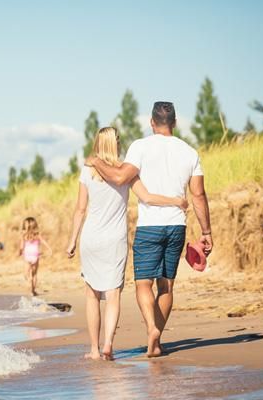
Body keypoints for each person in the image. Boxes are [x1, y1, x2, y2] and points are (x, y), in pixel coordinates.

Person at [85, 102, 212, 357]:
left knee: (144, 285)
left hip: (149, 226)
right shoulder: (189, 152)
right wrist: (207, 231)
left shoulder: (140, 147)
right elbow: (198, 194)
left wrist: (96, 160)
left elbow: (120, 177)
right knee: (166, 287)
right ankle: (156, 340)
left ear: (152, 123)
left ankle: (152, 328)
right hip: (177, 225)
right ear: (174, 123)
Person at [66, 126, 187, 361]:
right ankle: (109, 345)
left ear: (98, 144)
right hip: (115, 239)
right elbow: (148, 197)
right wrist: (176, 200)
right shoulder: (127, 172)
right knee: (113, 294)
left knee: (92, 294)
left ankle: (93, 349)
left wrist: (72, 240)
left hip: (91, 238)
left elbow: (80, 209)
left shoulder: (87, 172)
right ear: (117, 144)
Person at [19, 217, 52, 296]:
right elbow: (44, 242)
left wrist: (20, 252)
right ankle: (33, 291)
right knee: (34, 274)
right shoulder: (37, 235)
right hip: (35, 255)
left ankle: (29, 280)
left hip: (27, 255)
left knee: (26, 274)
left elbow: (21, 246)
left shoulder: (24, 235)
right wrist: (49, 249)